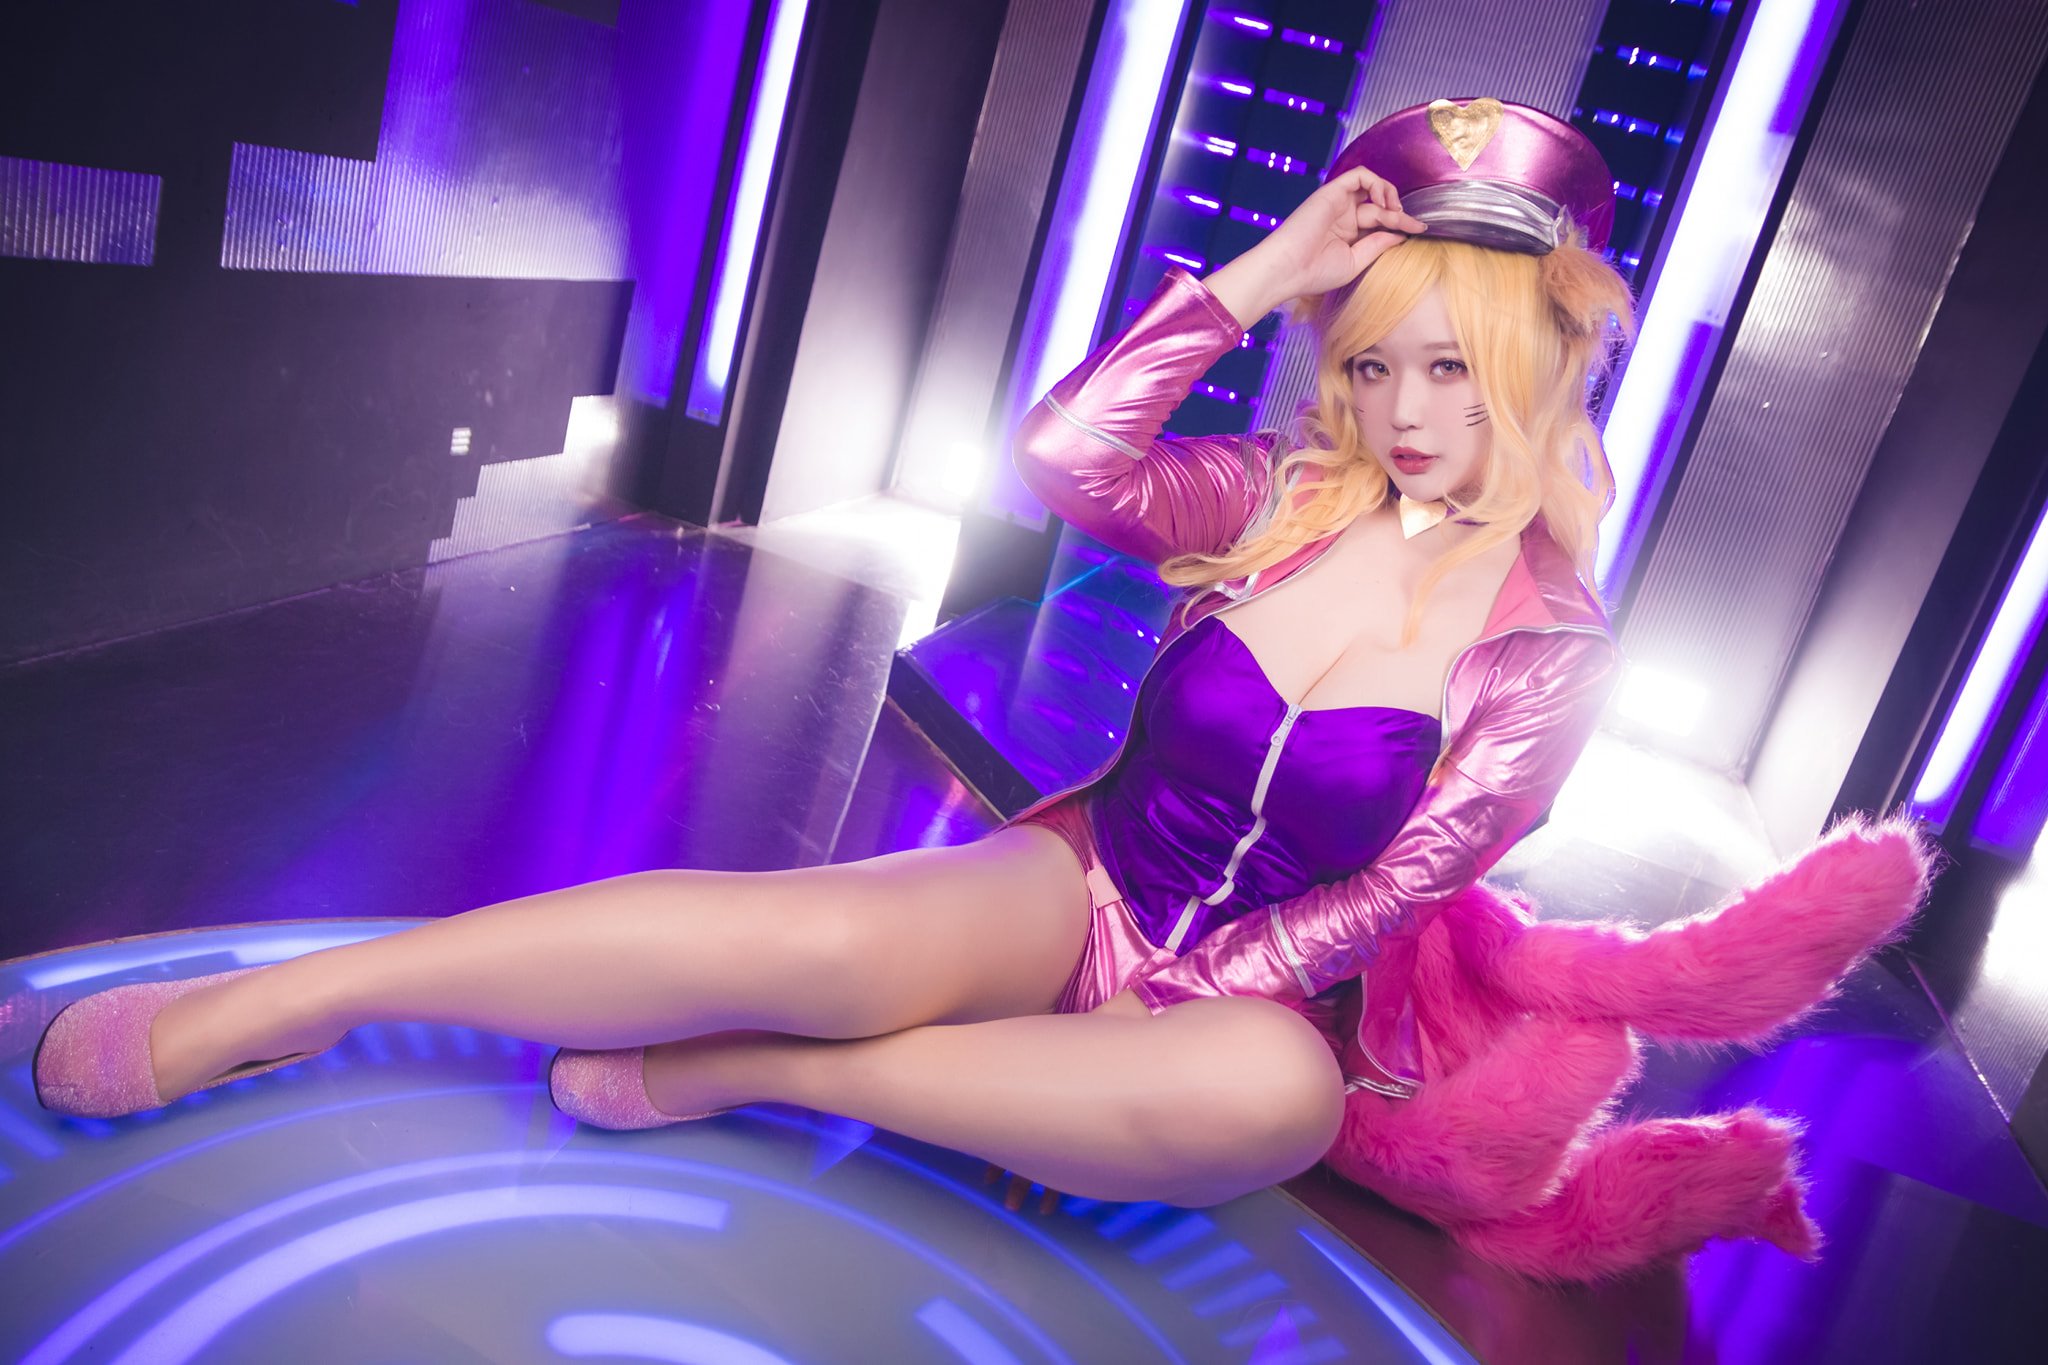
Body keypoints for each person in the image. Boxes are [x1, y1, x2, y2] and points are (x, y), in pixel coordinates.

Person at [33, 99, 1631, 1214]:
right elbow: (1069, 459)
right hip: (1084, 880)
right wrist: (1261, 276)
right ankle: (290, 1001)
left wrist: (1181, 997)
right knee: (824, 935)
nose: (1405, 412)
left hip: (1246, 1002)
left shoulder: (1549, 647)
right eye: (1374, 363)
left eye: (1453, 369)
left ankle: (761, 1070)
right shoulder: (1279, 494)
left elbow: (1394, 891)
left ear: (1544, 366)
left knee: (1277, 1104)